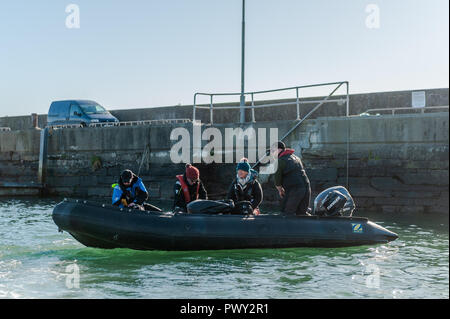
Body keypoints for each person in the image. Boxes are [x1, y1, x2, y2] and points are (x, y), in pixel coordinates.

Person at [270, 141, 311, 216]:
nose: (272, 153)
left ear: (279, 149)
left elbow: (277, 179)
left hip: (295, 189)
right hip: (306, 186)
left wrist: (280, 190)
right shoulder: (296, 158)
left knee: (287, 212)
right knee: (302, 213)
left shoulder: (280, 161)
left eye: (273, 151)